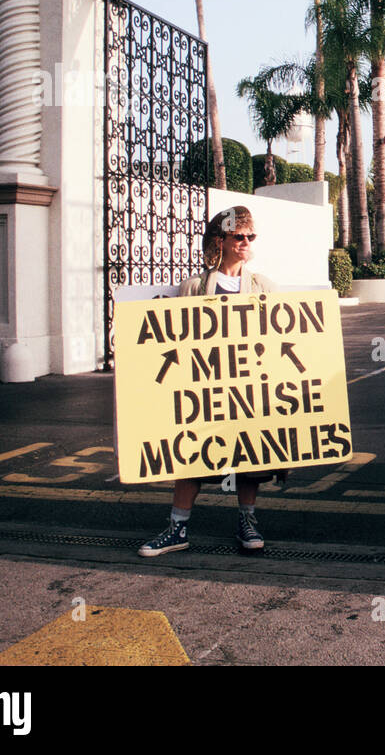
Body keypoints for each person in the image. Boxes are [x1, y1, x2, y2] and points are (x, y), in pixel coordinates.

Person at [139, 206, 278, 557]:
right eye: (239, 236)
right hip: (204, 388)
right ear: (222, 241)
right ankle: (177, 528)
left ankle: (247, 521)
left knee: (250, 459)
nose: (246, 242)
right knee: (191, 455)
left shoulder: (264, 286)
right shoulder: (194, 287)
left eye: (251, 237)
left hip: (248, 388)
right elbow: (177, 342)